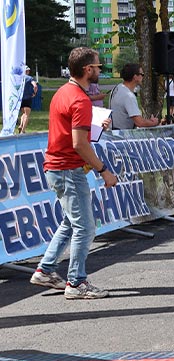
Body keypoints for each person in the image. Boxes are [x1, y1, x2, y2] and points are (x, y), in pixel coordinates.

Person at [28, 47, 118, 299]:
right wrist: (104, 170)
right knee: (86, 227)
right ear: (87, 69)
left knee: (71, 223)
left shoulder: (64, 92)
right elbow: (79, 144)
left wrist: (94, 128)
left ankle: (45, 270)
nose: (100, 70)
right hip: (68, 170)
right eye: (98, 66)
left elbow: (73, 134)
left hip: (59, 168)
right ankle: (76, 283)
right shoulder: (79, 99)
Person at [108, 63, 159, 130]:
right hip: (124, 133)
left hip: (113, 131)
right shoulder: (128, 96)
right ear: (135, 77)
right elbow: (139, 122)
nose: (143, 77)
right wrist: (153, 122)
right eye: (142, 74)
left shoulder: (117, 88)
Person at [18, 66, 38, 133]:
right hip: (27, 98)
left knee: (23, 113)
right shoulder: (30, 78)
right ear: (27, 71)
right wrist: (34, 93)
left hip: (21, 98)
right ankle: (23, 130)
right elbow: (35, 86)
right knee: (27, 114)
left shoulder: (19, 78)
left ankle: (20, 125)